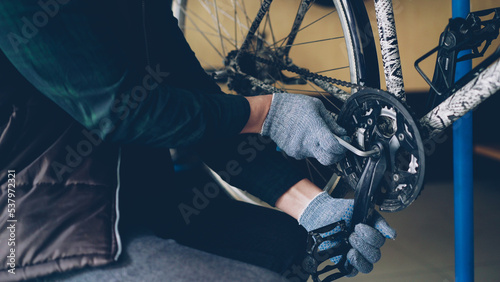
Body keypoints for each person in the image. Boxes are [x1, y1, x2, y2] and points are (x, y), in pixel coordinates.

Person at [0, 1, 395, 281]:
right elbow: (120, 110)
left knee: (291, 245)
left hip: (139, 207)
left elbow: (196, 103)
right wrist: (266, 112)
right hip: (37, 228)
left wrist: (314, 206)